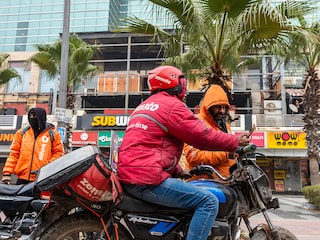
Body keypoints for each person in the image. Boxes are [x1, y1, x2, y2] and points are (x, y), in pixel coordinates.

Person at [117, 65, 250, 240]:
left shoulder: (145, 106)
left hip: (134, 176)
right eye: (183, 83)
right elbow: (201, 136)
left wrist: (180, 172)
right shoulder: (171, 106)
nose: (185, 88)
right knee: (209, 202)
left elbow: (153, 149)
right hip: (146, 180)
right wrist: (235, 141)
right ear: (174, 84)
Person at [183, 84, 237, 179]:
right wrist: (226, 154)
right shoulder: (196, 124)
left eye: (224, 107)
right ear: (208, 107)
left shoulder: (225, 126)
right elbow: (193, 157)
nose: (222, 111)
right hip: (205, 182)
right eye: (218, 107)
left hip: (226, 181)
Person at [1, 107, 64, 185]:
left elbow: (58, 154)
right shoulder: (22, 133)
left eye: (35, 116)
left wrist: (46, 167)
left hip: (42, 179)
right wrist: (7, 173)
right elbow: (14, 154)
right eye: (30, 116)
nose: (32, 118)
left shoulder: (53, 134)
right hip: (22, 179)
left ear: (41, 117)